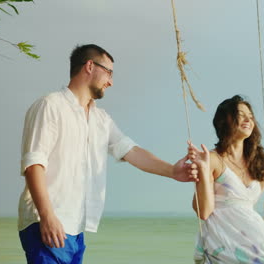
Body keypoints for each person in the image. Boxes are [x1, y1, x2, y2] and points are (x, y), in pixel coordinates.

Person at [17, 44, 197, 264]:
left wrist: (172, 171)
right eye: (109, 72)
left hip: (75, 228)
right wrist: (47, 216)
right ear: (90, 66)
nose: (111, 81)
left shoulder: (101, 119)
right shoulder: (50, 106)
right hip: (46, 222)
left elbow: (132, 151)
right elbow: (34, 164)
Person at [189, 95, 264, 263]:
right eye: (240, 115)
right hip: (223, 236)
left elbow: (245, 205)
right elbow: (203, 212)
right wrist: (203, 170)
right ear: (224, 120)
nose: (248, 119)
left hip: (254, 234)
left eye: (250, 116)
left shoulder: (262, 165)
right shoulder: (212, 159)